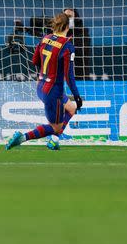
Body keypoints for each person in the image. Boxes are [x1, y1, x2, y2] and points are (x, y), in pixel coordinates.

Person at [6, 13, 83, 150]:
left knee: (71, 108)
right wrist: (77, 96)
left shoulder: (45, 38)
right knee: (56, 128)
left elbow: (35, 61)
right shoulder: (67, 46)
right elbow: (69, 76)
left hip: (41, 86)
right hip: (53, 91)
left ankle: (53, 141)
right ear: (67, 26)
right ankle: (23, 137)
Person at [63, 8, 94, 80]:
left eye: (70, 17)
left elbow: (82, 51)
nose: (67, 19)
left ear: (75, 18)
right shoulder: (56, 33)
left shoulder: (83, 32)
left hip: (80, 71)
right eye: (65, 17)